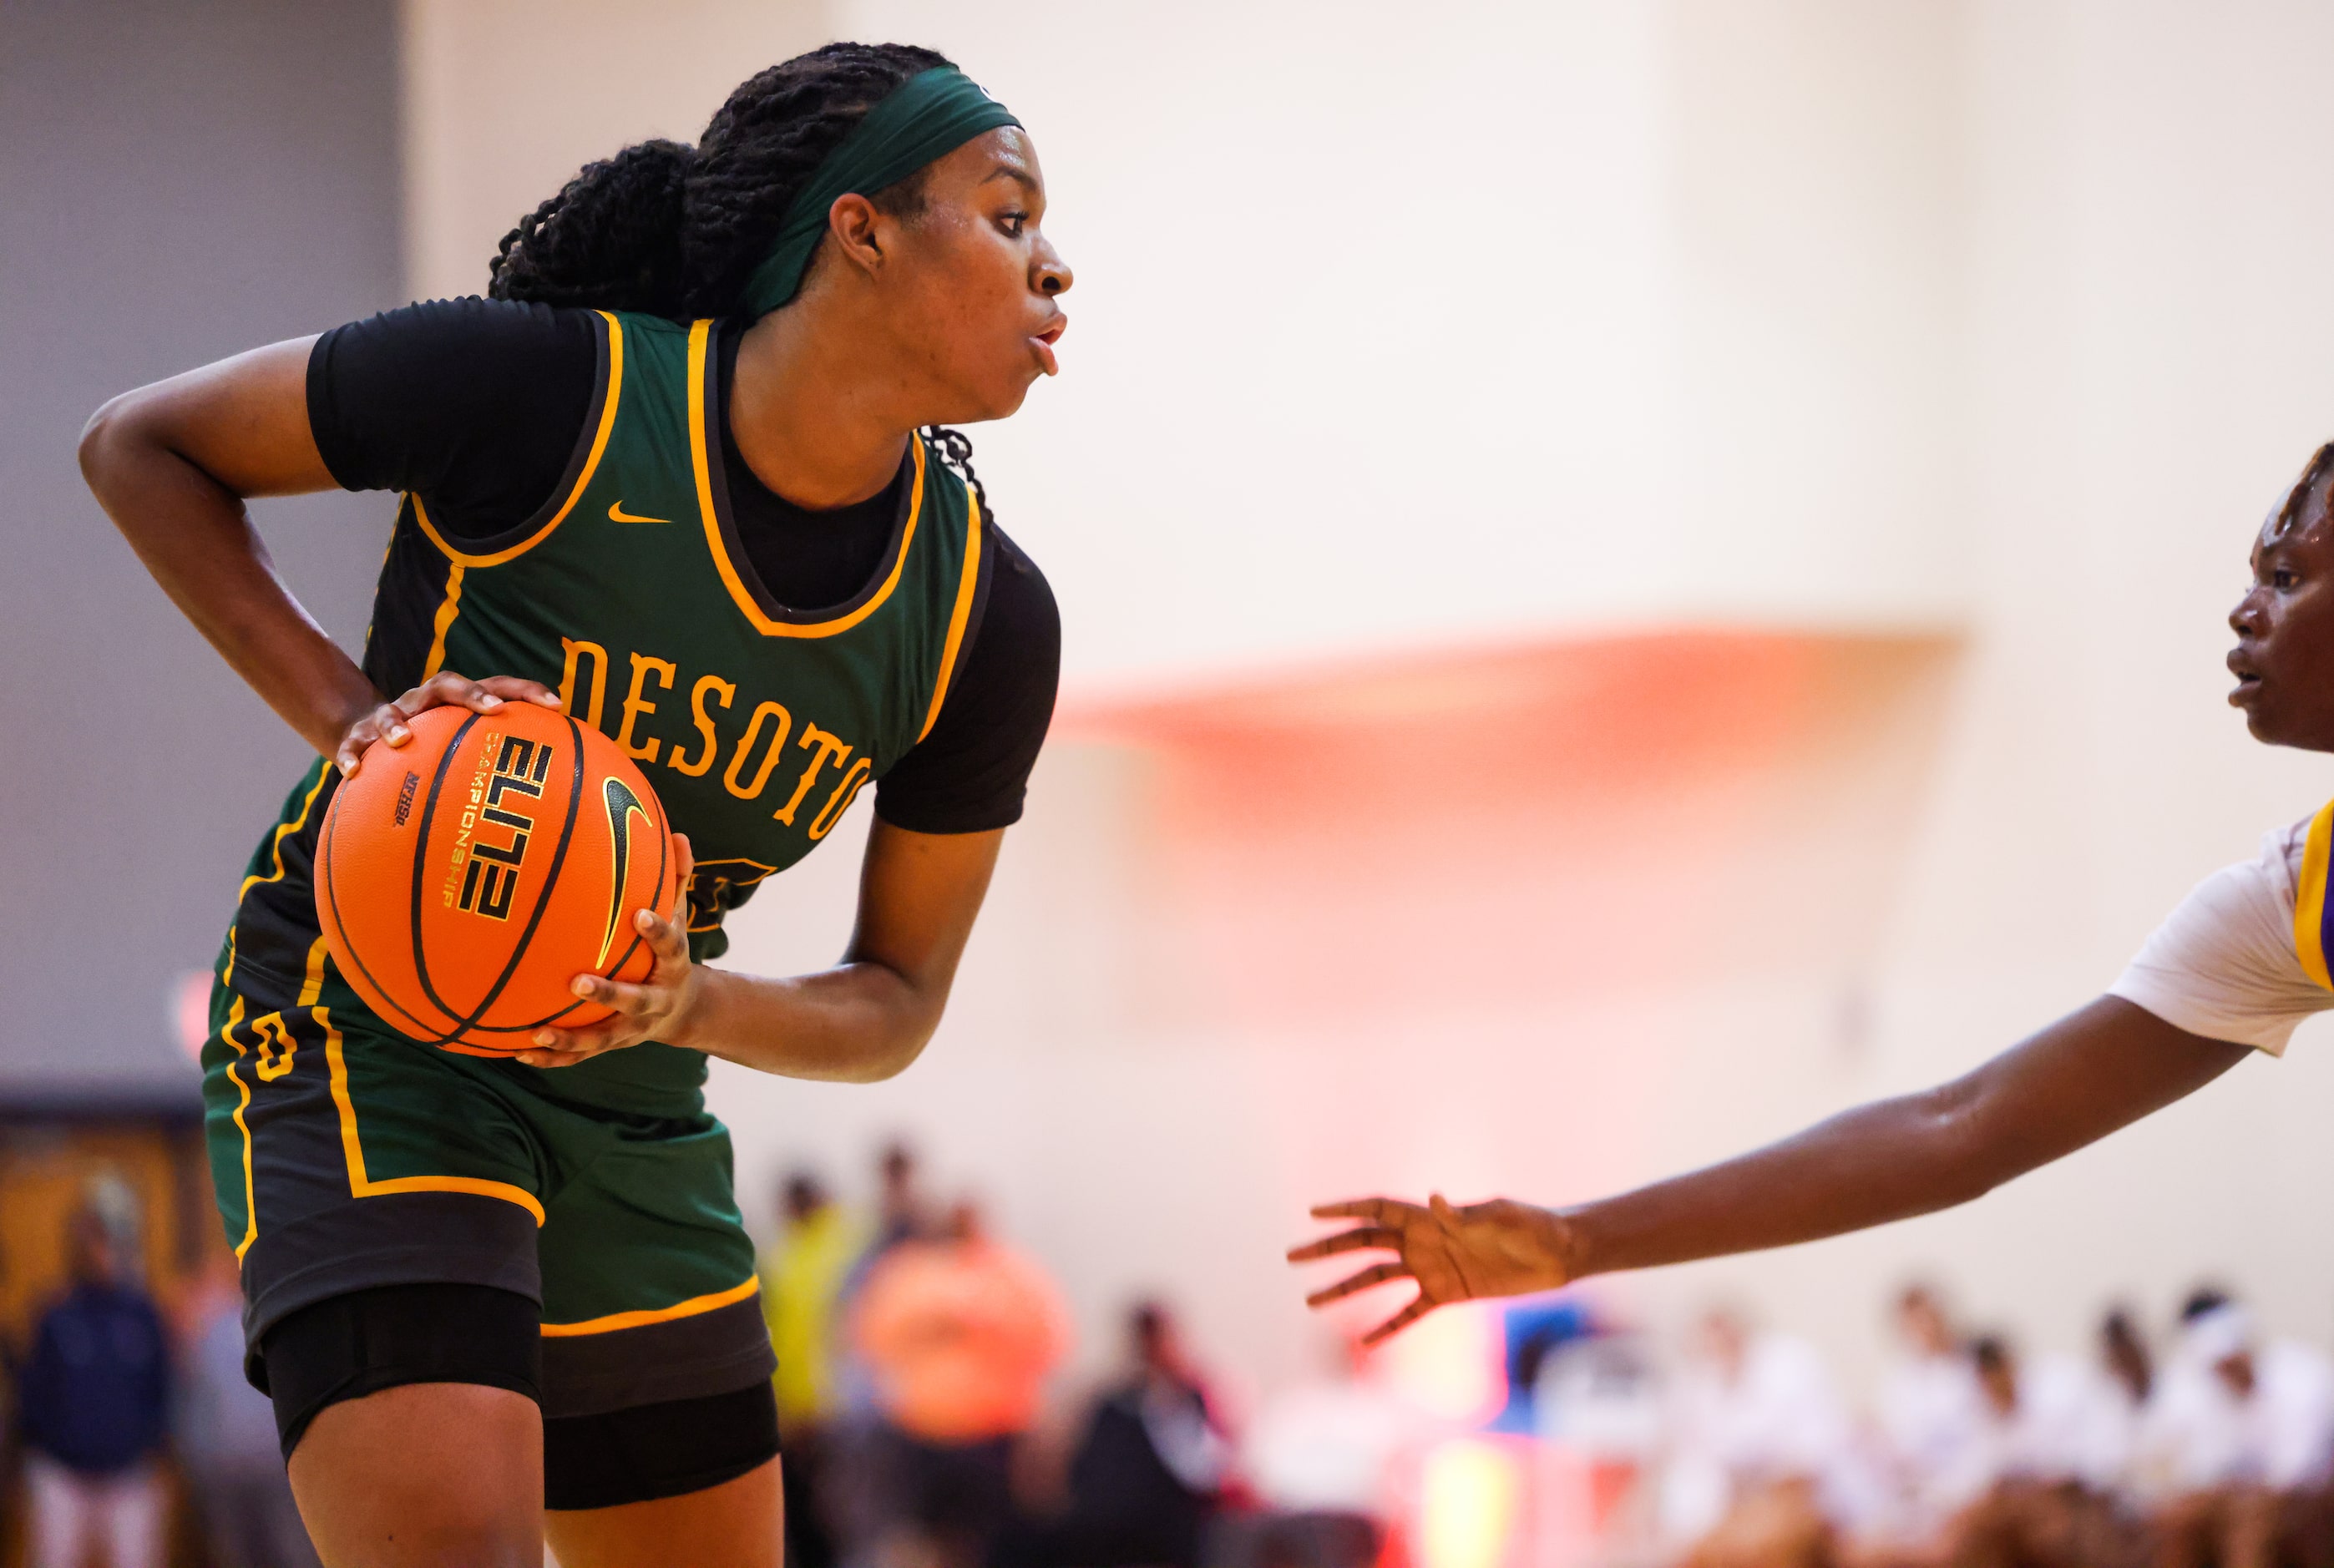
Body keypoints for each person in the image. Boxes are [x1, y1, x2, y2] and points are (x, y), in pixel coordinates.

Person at [79, 44, 1068, 1568]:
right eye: (1008, 216)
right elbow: (140, 444)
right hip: (371, 1030)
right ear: (861, 230)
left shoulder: (980, 617)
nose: (1052, 266)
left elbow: (897, 996)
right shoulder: (550, 390)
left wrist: (691, 1002)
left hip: (629, 1086)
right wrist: (359, 724)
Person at [1289, 446, 2334, 1370]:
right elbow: (1955, 1129)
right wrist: (1578, 1241)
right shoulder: (2288, 897)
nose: (2243, 610)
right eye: (2251, 580)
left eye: (2284, 578)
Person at [845, 1199, 1071, 1567]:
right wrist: (932, 1323)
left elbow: (1050, 1338)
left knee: (992, 1537)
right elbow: (870, 1334)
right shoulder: (911, 1270)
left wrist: (983, 1321)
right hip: (923, 1433)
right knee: (927, 1536)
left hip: (994, 1436)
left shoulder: (1011, 1272)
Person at [993, 1300, 1229, 1568]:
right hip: (1103, 1521)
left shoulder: (1190, 1396)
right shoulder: (1112, 1401)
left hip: (1165, 1520)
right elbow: (1082, 1465)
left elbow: (1207, 1467)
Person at [17, 1208, 170, 1568]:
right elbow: (34, 1393)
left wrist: (152, 1446)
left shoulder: (142, 1313)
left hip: (129, 1473)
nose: (98, 1253)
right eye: (88, 1242)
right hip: (63, 1474)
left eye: (105, 1242)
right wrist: (50, 1449)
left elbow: (160, 1388)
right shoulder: (55, 1315)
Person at [178, 1248, 323, 1568]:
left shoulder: (281, 1314)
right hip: (223, 1476)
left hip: (279, 1474)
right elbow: (191, 1396)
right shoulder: (205, 1320)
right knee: (234, 1556)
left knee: (292, 1556)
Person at [760, 1169, 865, 1568]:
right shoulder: (784, 1252)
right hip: (799, 1409)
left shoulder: (846, 1246)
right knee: (804, 1520)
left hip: (839, 1412)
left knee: (840, 1519)